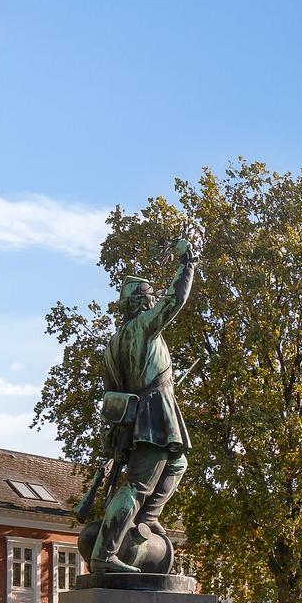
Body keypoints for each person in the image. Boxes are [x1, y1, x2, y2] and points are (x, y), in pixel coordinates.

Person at [87, 234, 201, 573]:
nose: (154, 302)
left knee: (177, 463)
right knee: (137, 485)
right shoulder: (142, 327)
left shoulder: (113, 344)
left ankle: (146, 519)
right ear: (141, 302)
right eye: (150, 297)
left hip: (135, 418)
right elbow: (175, 300)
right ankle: (105, 554)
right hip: (152, 413)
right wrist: (187, 262)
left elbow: (112, 391)